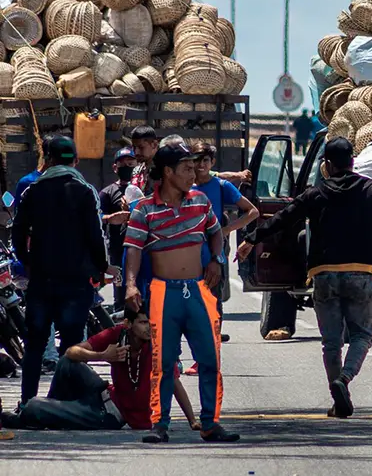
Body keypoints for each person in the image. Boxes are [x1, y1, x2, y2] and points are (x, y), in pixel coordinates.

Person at [236, 137, 372, 419]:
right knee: (361, 335)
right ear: (351, 162)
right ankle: (344, 380)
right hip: (361, 275)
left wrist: (251, 238)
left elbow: (283, 218)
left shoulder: (316, 193)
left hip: (323, 277)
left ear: (327, 165)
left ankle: (338, 400)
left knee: (331, 341)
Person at [123, 142, 239, 443]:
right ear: (167, 171)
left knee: (210, 359)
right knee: (163, 363)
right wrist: (131, 284)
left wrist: (218, 259)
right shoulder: (144, 209)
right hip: (163, 293)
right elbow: (133, 251)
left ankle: (210, 423)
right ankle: (160, 424)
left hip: (199, 291)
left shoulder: (200, 201)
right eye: (187, 168)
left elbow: (215, 232)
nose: (194, 173)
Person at [12, 136, 113, 407]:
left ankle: (27, 402)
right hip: (76, 282)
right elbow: (96, 236)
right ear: (75, 161)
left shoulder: (32, 191)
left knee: (34, 344)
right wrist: (101, 268)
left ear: (48, 160)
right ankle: (66, 401)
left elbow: (17, 235)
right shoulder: (84, 190)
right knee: (72, 344)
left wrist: (29, 262)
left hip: (41, 281)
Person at [0, 308, 199, 431]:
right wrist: (102, 356)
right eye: (143, 322)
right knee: (66, 363)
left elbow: (175, 384)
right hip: (104, 394)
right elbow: (72, 351)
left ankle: (37, 413)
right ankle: (48, 411)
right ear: (128, 324)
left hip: (111, 415)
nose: (149, 328)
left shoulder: (158, 347)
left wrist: (193, 421)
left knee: (35, 404)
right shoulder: (118, 334)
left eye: (152, 323)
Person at [181, 142, 259, 373]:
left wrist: (224, 231)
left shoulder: (221, 185)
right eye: (197, 160)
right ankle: (199, 356)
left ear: (212, 163)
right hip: (185, 255)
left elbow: (252, 211)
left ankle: (209, 358)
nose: (201, 164)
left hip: (213, 255)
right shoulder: (183, 186)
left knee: (212, 306)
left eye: (205, 160)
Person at [11, 134, 59, 374]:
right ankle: (48, 356)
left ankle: (68, 356)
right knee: (41, 309)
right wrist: (24, 259)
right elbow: (21, 225)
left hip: (61, 258)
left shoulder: (71, 182)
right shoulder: (29, 182)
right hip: (38, 258)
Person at [100, 148, 139, 312]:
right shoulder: (107, 192)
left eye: (130, 163)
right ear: (115, 167)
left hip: (141, 246)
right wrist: (111, 218)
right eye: (122, 164)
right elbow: (97, 217)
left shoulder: (142, 187)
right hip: (118, 248)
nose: (127, 166)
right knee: (121, 292)